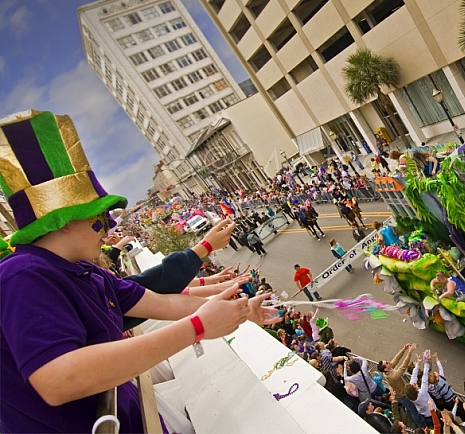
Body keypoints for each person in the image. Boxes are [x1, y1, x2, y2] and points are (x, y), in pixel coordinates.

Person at [0, 109, 280, 433]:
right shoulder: (23, 277)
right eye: (99, 219)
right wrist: (198, 328)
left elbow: (168, 303)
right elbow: (59, 379)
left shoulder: (87, 272)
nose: (108, 230)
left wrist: (241, 310)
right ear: (61, 222)